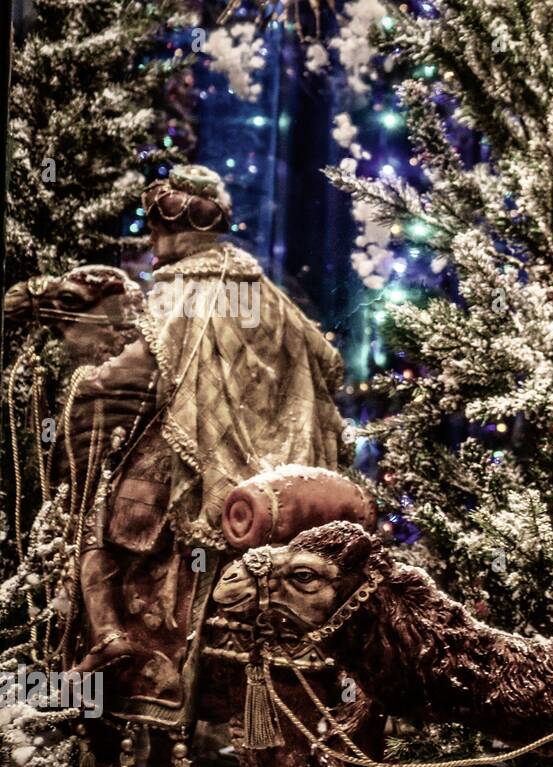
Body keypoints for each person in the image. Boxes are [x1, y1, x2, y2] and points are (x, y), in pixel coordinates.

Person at [67, 164, 346, 729]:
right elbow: (327, 361)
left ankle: (112, 642)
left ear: (179, 225)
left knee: (97, 520)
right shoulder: (261, 288)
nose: (152, 240)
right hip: (279, 477)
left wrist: (84, 383)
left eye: (156, 226)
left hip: (199, 467)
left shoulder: (183, 288)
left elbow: (144, 373)